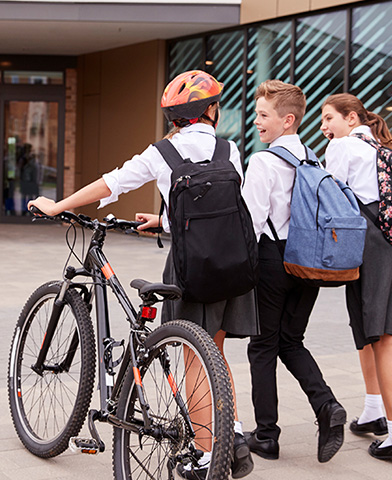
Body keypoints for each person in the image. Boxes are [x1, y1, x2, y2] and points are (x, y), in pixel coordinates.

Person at [29, 70, 256, 479]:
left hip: (193, 267)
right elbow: (215, 207)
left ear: (175, 116)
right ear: (210, 110)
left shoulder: (163, 152)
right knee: (214, 356)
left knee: (192, 359)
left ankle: (207, 458)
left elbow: (110, 185)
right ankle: (232, 435)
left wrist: (60, 205)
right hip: (235, 263)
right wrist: (166, 219)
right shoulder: (230, 149)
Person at [242, 80, 346, 464]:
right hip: (309, 261)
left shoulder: (263, 160)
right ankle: (327, 406)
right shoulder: (313, 158)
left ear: (287, 120)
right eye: (256, 114)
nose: (256, 121)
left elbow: (251, 223)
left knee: (263, 346)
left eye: (263, 115)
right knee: (291, 340)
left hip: (272, 260)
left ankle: (267, 435)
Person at [320, 93, 392, 462]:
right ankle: (373, 408)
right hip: (387, 241)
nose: (323, 127)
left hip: (366, 240)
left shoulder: (345, 146)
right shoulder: (380, 143)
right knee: (371, 329)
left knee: (379, 336)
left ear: (350, 118)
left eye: (328, 118)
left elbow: (331, 198)